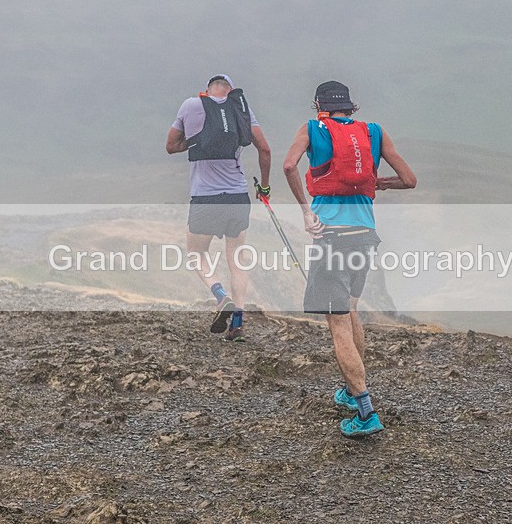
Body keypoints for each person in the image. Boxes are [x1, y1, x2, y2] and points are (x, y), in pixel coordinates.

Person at [282, 81, 417, 437]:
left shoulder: (312, 128)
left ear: (319, 106)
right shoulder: (374, 132)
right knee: (351, 309)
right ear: (350, 107)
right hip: (365, 236)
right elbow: (409, 180)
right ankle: (348, 391)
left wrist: (306, 211)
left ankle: (365, 411)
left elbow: (288, 166)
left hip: (332, 238)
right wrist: (379, 184)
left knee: (338, 322)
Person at [166, 74, 272, 342]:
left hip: (205, 197)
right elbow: (265, 150)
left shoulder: (190, 105)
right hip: (237, 196)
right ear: (230, 92)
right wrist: (265, 187)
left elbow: (171, 146)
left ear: (207, 91)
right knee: (236, 258)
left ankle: (220, 295)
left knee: (196, 252)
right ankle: (237, 322)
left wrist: (196, 140)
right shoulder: (241, 110)